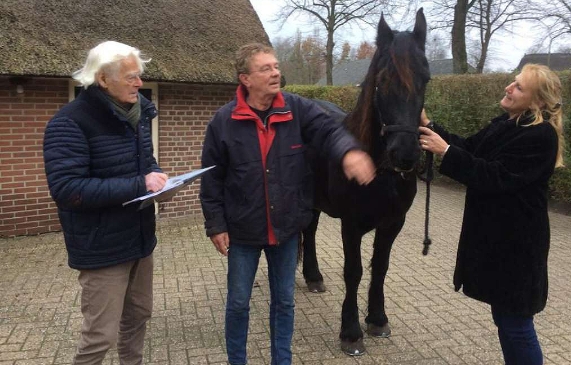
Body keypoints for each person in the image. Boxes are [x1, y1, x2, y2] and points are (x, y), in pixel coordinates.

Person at [199, 43, 376, 365]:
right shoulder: (223, 122)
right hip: (242, 230)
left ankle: (282, 360)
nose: (276, 72)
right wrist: (215, 224)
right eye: (265, 68)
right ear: (245, 79)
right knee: (238, 303)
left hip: (287, 227)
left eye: (276, 66)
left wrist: (349, 151)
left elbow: (329, 130)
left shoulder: (298, 109)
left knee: (284, 302)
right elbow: (211, 179)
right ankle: (236, 360)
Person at [418, 63, 564, 365]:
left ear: (537, 101)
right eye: (513, 82)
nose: (509, 88)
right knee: (506, 320)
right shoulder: (507, 124)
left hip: (518, 246)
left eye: (519, 87)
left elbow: (496, 176)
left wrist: (445, 152)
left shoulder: (540, 136)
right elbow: (470, 148)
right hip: (500, 244)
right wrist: (428, 124)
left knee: (517, 325)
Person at [43, 41, 168, 364]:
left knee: (138, 316)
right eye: (130, 77)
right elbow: (68, 189)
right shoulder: (69, 122)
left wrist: (160, 181)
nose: (139, 84)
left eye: (139, 76)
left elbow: (147, 164)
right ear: (102, 79)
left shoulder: (136, 115)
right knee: (100, 336)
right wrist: (139, 184)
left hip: (140, 238)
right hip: (101, 247)